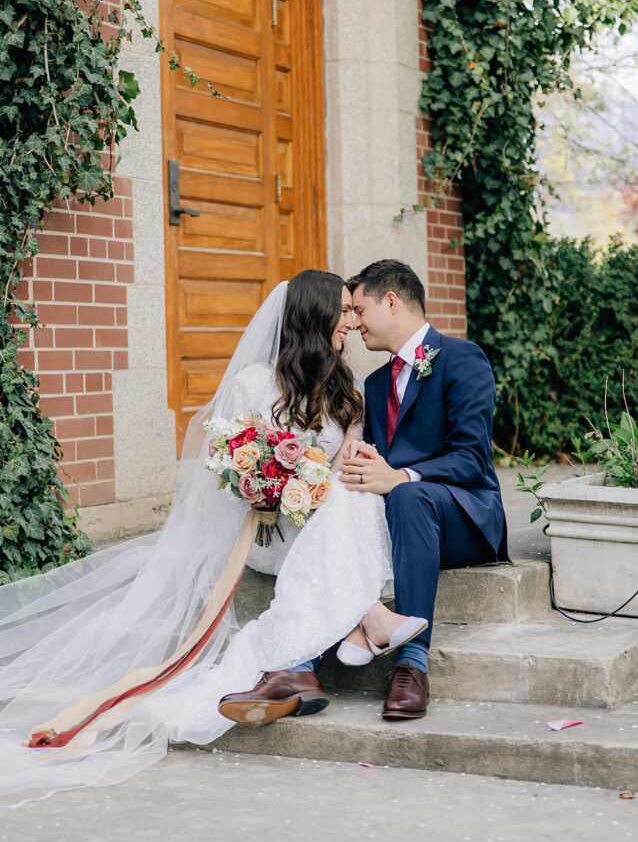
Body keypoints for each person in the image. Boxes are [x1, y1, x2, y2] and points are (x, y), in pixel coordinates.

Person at [0, 271, 424, 809]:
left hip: (325, 524)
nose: (352, 319)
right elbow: (221, 472)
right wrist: (264, 491)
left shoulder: (348, 389)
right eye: (343, 309)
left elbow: (347, 465)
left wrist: (338, 473)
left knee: (352, 496)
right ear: (315, 315)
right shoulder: (251, 384)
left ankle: (295, 671)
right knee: (335, 511)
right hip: (268, 531)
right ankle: (365, 621)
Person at [340, 259, 509, 720]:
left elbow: (472, 458)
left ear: (390, 301)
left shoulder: (462, 357)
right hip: (404, 517)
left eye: (359, 310)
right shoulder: (374, 385)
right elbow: (377, 461)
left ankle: (412, 664)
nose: (353, 324)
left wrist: (400, 477)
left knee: (410, 494)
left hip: (463, 517)